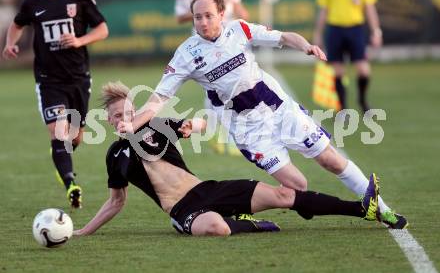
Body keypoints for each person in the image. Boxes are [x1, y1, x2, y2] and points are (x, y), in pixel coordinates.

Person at [117, 0, 407, 229]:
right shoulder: (186, 55)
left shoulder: (239, 28)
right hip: (247, 129)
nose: (203, 22)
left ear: (221, 15)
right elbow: (157, 99)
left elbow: (283, 37)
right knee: (297, 185)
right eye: (197, 17)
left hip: (279, 109)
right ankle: (240, 210)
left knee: (330, 159)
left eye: (208, 15)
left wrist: (306, 46)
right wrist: (133, 124)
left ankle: (382, 209)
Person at [73, 81, 380, 237]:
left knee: (286, 194)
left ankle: (361, 208)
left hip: (207, 189)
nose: (123, 118)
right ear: (110, 121)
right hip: (182, 209)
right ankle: (246, 224)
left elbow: (196, 125)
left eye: (128, 112)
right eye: (117, 116)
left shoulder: (155, 125)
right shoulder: (115, 155)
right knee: (217, 229)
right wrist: (84, 231)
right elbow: (116, 201)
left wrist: (195, 125)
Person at [2, 0, 108, 208]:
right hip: (49, 81)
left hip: (79, 79)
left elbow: (102, 29)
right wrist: (10, 44)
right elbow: (17, 24)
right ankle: (70, 182)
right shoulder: (33, 2)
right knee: (59, 131)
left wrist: (80, 41)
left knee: (75, 137)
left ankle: (61, 156)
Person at [175, 0, 249, 156]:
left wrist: (242, 12)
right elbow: (179, 16)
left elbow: (236, 2)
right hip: (205, 44)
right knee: (215, 88)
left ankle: (231, 136)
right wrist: (205, 13)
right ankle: (218, 132)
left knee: (241, 85)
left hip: (231, 40)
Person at [313, 0, 382, 112]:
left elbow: (369, 8)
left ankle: (362, 100)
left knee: (363, 70)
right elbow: (323, 10)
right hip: (335, 29)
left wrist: (376, 31)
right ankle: (342, 108)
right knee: (337, 71)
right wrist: (318, 34)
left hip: (355, 29)